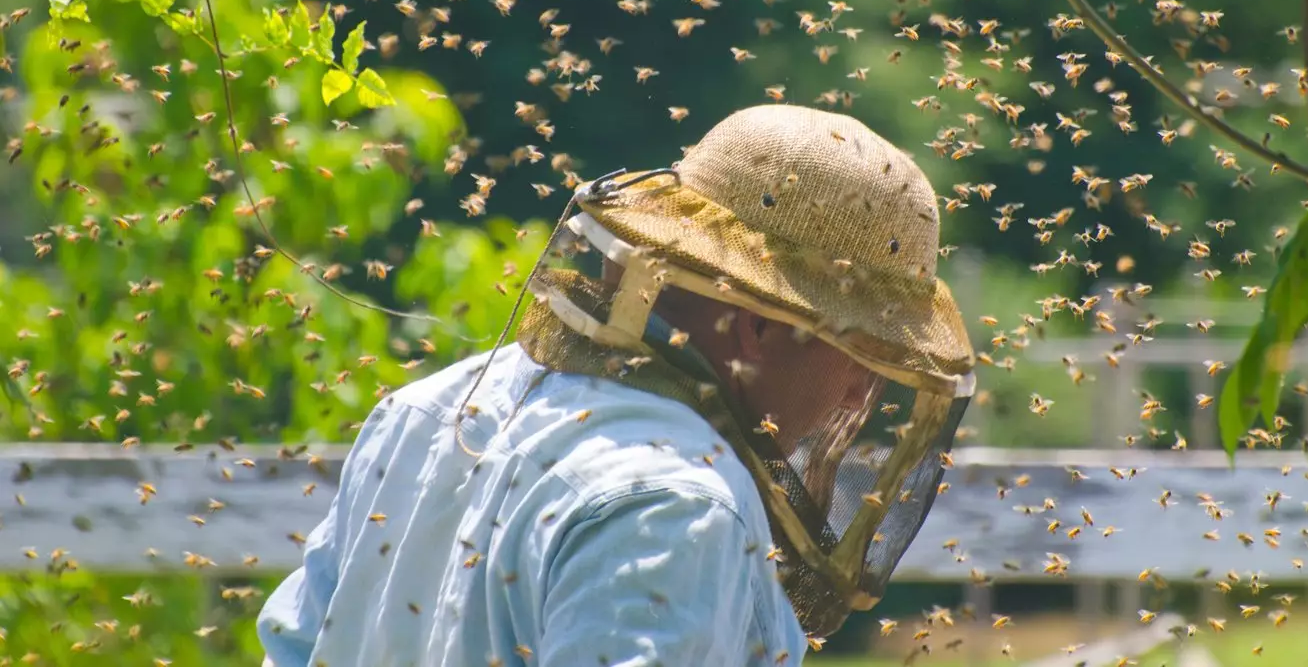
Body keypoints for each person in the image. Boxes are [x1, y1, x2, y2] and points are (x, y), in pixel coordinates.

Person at [256, 104, 976, 666]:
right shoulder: (676, 503)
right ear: (762, 327)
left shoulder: (431, 408)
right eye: (859, 355)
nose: (858, 398)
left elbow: (295, 649)